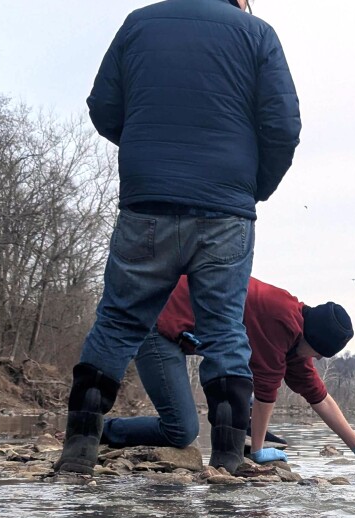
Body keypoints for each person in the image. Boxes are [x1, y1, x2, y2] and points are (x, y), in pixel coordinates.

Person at [56, 0, 301, 475]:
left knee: (119, 321)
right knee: (223, 330)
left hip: (148, 204)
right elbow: (283, 127)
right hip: (225, 211)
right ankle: (228, 461)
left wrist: (149, 149)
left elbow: (104, 107)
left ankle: (78, 451)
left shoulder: (139, 23)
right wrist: (254, 187)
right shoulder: (257, 34)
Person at [101, 276, 355, 471]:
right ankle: (99, 430)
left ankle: (245, 436)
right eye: (319, 351)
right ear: (310, 337)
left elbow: (320, 398)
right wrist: (259, 452)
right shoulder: (281, 321)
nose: (320, 358)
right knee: (182, 430)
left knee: (239, 397)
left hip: (176, 332)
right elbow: (266, 392)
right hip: (155, 325)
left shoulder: (298, 335)